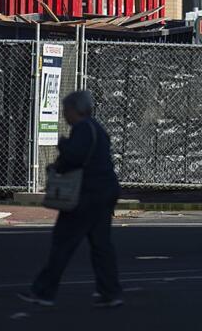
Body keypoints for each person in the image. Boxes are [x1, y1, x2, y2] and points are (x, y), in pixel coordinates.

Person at [20, 90, 123, 308]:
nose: (64, 115)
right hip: (105, 192)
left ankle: (44, 291)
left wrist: (62, 146)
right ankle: (110, 291)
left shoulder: (83, 129)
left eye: (66, 110)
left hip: (86, 195)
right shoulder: (97, 128)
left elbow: (75, 157)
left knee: (63, 242)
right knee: (101, 244)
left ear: (75, 110)